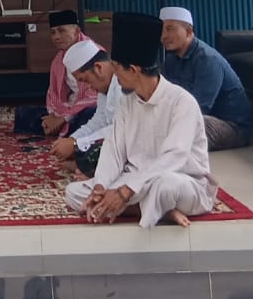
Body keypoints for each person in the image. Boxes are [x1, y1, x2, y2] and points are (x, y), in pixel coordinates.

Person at [65, 12, 218, 229]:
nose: (115, 75)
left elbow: (174, 157)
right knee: (74, 193)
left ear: (134, 70)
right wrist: (100, 187)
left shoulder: (181, 102)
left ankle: (148, 205)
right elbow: (114, 149)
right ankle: (161, 211)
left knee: (165, 186)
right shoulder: (127, 102)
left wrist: (124, 192)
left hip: (183, 182)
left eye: (117, 68)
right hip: (135, 182)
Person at [157, 7, 253, 151]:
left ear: (188, 32)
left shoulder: (208, 60)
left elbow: (198, 108)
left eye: (170, 29)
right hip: (194, 116)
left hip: (230, 126)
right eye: (162, 30)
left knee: (185, 125)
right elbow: (164, 96)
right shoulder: (171, 60)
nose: (163, 36)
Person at [14, 9, 100, 138]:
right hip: (69, 106)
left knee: (88, 116)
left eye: (61, 31)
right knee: (23, 113)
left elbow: (95, 96)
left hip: (89, 106)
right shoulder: (58, 60)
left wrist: (63, 118)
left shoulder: (92, 53)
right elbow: (53, 93)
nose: (56, 37)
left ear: (77, 31)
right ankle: (57, 127)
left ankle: (61, 128)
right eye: (53, 32)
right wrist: (53, 116)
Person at [49, 39, 120, 177]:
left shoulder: (124, 85)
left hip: (139, 144)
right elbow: (99, 121)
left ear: (99, 68)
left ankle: (85, 166)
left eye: (85, 80)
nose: (87, 87)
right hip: (119, 138)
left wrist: (76, 145)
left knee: (94, 152)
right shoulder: (105, 87)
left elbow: (121, 130)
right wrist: (72, 140)